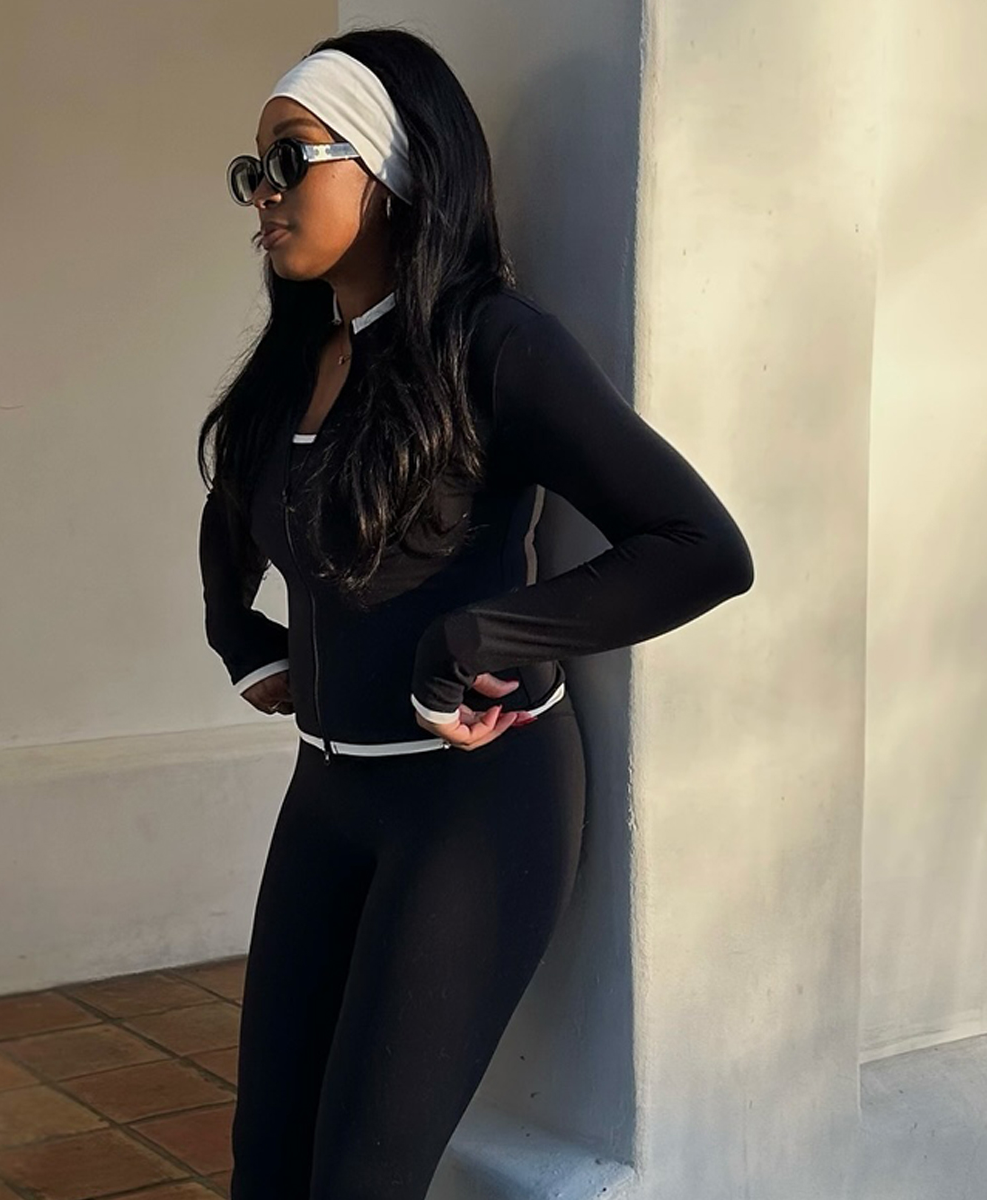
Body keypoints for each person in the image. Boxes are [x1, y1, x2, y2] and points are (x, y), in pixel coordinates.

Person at [197, 26, 754, 1199]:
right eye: (254, 170)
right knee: (265, 1168)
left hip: (474, 811)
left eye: (293, 158)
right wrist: (236, 635)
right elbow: (238, 511)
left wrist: (487, 636)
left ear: (393, 168)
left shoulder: (491, 345)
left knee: (359, 1181)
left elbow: (702, 548)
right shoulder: (297, 363)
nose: (264, 194)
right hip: (326, 796)